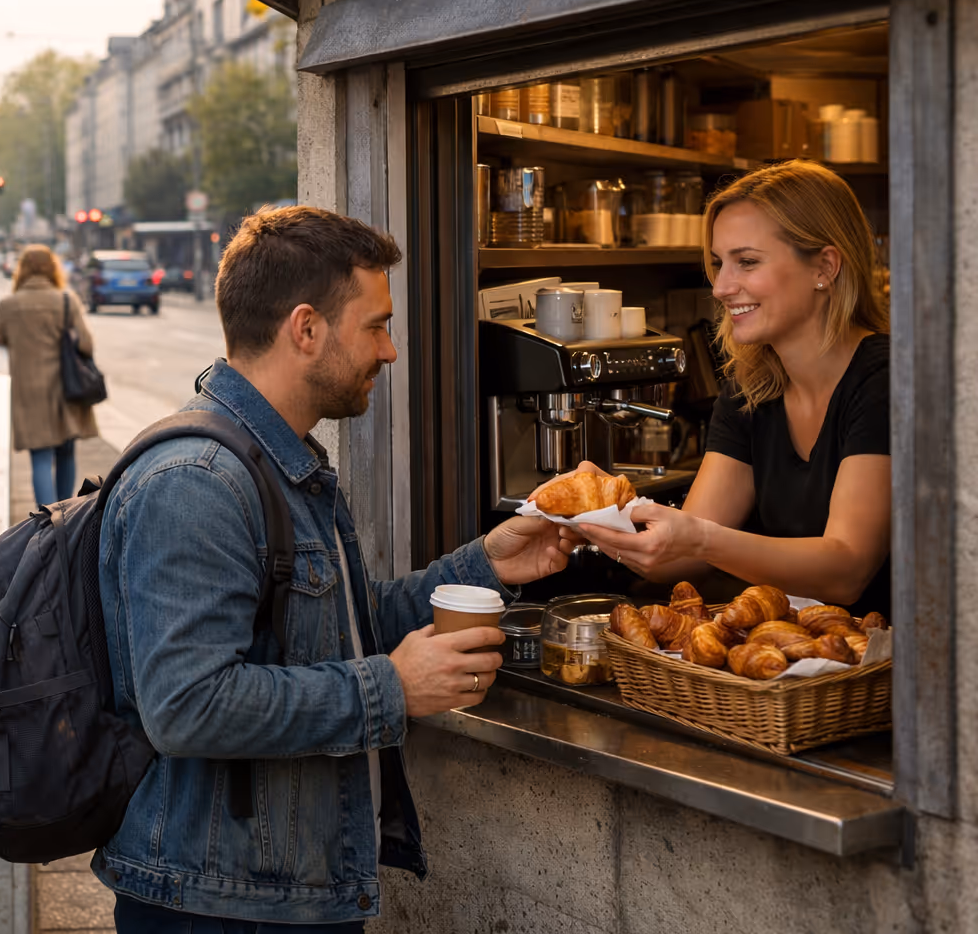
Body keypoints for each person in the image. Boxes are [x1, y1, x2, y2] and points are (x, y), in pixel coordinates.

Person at [95, 206, 574, 930]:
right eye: (376, 325)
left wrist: (489, 564)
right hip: (215, 909)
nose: (389, 351)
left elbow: (338, 627)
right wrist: (392, 687)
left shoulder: (284, 463)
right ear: (307, 329)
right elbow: (187, 706)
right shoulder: (196, 482)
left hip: (279, 894)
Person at [576, 160, 891, 617]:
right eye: (719, 263)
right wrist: (604, 516)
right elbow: (681, 557)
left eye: (747, 262)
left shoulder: (884, 380)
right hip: (796, 667)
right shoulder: (751, 389)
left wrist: (699, 537)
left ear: (825, 266)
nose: (722, 287)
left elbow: (847, 570)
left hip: (894, 669)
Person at [0, 244, 99, 507]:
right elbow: (86, 345)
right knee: (66, 453)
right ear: (53, 268)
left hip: (30, 392)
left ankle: (47, 523)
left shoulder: (9, 304)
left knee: (40, 459)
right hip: (66, 389)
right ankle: (66, 516)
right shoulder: (65, 300)